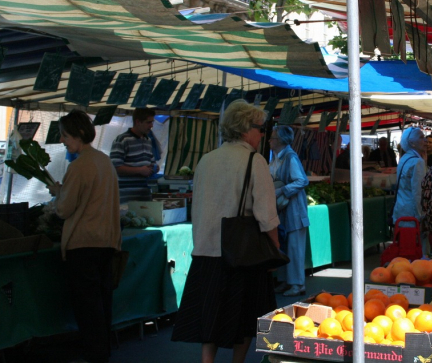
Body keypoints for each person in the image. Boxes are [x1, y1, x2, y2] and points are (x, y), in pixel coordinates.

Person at [171, 101, 279, 363]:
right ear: (245, 130)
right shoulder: (255, 160)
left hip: (207, 252)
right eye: (260, 128)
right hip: (242, 255)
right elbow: (266, 216)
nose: (262, 134)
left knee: (210, 318)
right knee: (244, 318)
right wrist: (274, 252)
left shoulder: (206, 160)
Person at [47, 110, 121, 363]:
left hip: (83, 244)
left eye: (65, 135)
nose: (62, 141)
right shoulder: (104, 161)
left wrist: (58, 195)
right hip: (106, 242)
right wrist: (62, 190)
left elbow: (66, 208)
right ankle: (103, 352)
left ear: (79, 134)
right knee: (102, 303)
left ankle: (95, 354)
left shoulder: (79, 166)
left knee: (87, 306)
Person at [269, 125, 310, 297]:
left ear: (280, 141)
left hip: (294, 211)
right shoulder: (277, 157)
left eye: (272, 138)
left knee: (294, 248)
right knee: (285, 246)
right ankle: (286, 282)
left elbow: (302, 181)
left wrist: (281, 190)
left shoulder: (290, 157)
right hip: (284, 211)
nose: (270, 140)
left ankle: (298, 284)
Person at [109, 107, 160, 203]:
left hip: (143, 196)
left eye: (152, 122)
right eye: (148, 122)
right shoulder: (122, 140)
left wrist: (154, 167)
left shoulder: (148, 140)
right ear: (138, 122)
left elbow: (151, 162)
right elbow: (115, 167)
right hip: (126, 197)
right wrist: (140, 170)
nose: (151, 126)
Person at [393, 127, 428, 224]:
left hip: (400, 209)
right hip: (411, 214)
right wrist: (420, 216)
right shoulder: (417, 162)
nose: (425, 140)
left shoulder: (404, 158)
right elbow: (418, 193)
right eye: (421, 137)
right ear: (412, 143)